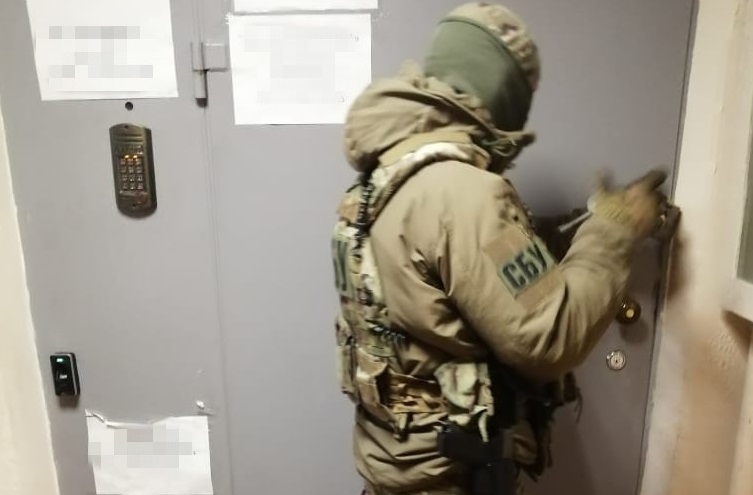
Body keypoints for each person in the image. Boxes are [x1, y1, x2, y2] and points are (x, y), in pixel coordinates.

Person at [330, 3, 668, 495]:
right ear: (502, 88)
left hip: (396, 468)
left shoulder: (385, 177)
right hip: (449, 479)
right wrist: (616, 229)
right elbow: (549, 334)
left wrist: (568, 231)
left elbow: (446, 283)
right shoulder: (465, 193)